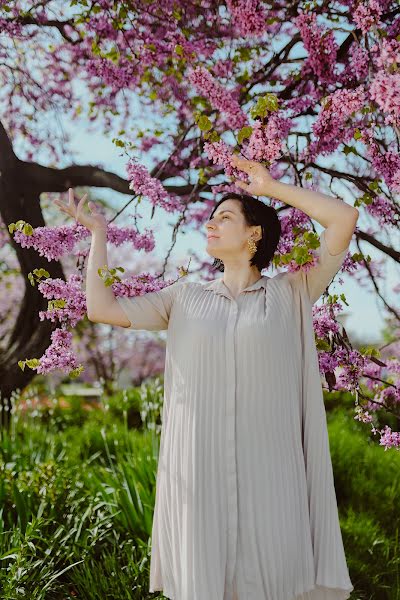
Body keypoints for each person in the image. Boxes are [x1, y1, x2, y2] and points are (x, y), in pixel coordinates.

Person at [54, 156, 359, 600]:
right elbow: (101, 308)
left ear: (254, 233)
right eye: (211, 219)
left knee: (274, 580)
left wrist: (270, 188)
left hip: (271, 476)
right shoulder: (184, 298)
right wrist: (99, 235)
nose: (211, 225)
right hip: (199, 475)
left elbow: (344, 218)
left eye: (225, 217)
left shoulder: (293, 291)